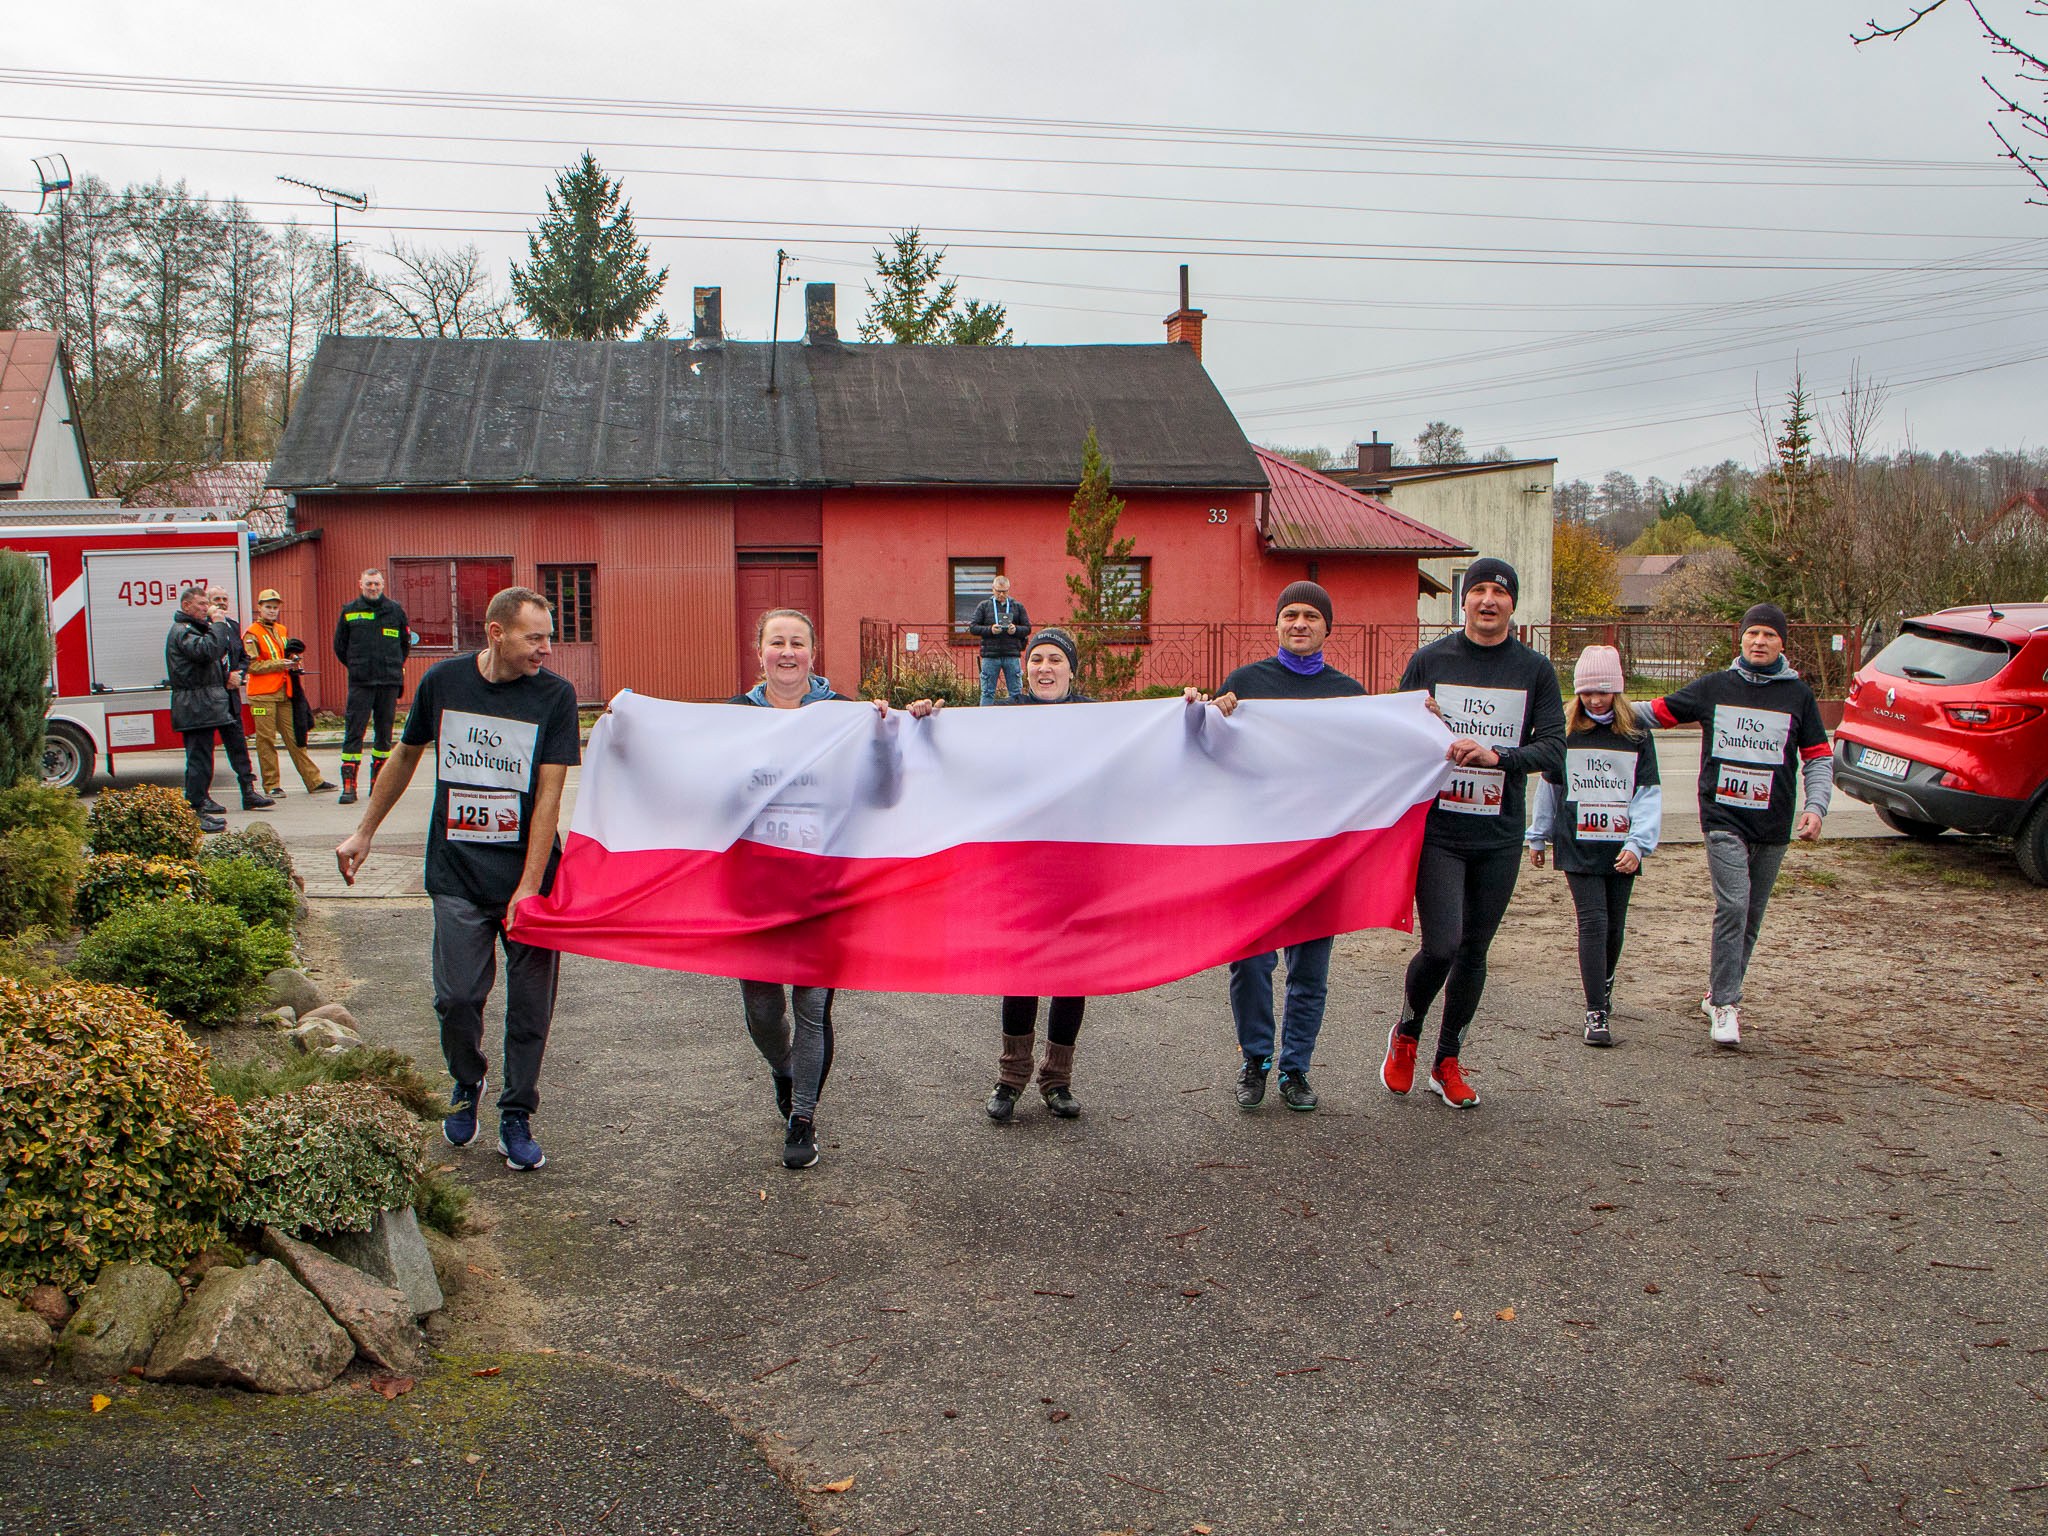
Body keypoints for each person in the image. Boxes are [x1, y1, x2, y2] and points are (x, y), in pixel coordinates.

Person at [334, 587, 581, 1173]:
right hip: (457, 872)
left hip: (530, 877)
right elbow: (405, 755)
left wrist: (528, 887)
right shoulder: (443, 684)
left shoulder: (555, 696)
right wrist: (364, 831)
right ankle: (466, 1082)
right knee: (457, 998)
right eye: (534, 637)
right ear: (496, 633)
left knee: (528, 1009)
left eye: (548, 637)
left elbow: (548, 799)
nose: (545, 649)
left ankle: (516, 1113)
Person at [729, 608, 939, 1169]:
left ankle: (802, 1116)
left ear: (813, 652)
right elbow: (705, 786)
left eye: (798, 642)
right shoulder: (734, 717)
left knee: (813, 1004)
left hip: (824, 888)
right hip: (756, 889)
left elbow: (887, 793)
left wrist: (899, 734)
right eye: (778, 642)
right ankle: (785, 1069)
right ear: (760, 652)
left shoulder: (845, 714)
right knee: (762, 1009)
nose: (788, 652)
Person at [1382, 557, 1566, 1109]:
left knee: (1475, 950)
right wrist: (1423, 719)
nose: (1488, 601)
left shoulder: (1534, 670)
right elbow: (1394, 733)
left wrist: (1498, 756)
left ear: (1513, 603)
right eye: (1478, 591)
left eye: (1499, 592)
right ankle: (1408, 1030)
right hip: (1439, 828)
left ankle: (1447, 1058)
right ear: (1462, 602)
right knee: (1442, 945)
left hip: (1499, 833)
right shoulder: (1431, 659)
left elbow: (1554, 748)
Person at [1632, 603, 1831, 1047]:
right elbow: (1655, 712)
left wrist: (1816, 807)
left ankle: (1718, 992)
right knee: (1734, 906)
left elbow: (1817, 757)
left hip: (1774, 824)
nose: (1759, 642)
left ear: (1783, 643)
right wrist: (1597, 705)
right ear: (1740, 639)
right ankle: (1725, 1003)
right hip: (1722, 818)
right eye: (1752, 633)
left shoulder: (1798, 696)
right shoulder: (1715, 687)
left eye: (1768, 635)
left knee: (1751, 917)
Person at [1205, 581, 1366, 1113]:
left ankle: (1296, 1068)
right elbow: (1209, 750)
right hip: (1257, 850)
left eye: (1311, 617)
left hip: (1321, 852)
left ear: (1327, 629)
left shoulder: (1349, 694)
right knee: (1250, 963)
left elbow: (1381, 754)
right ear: (1276, 625)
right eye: (1290, 615)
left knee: (1310, 970)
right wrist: (1213, 712)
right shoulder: (1245, 683)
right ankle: (1256, 1060)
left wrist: (1422, 723)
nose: (1300, 623)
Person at [1524, 645, 1662, 1047]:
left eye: (1603, 692)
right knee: (1594, 922)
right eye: (1587, 693)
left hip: (1620, 846)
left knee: (1614, 928)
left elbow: (1648, 791)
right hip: (1577, 843)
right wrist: (1538, 835)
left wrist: (1638, 845)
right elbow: (1549, 787)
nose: (1595, 700)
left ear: (1617, 691)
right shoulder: (1565, 733)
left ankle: (1604, 984)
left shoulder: (1636, 734)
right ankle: (1595, 1010)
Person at [987, 627, 1091, 1123]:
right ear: (1024, 669)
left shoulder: (1100, 718)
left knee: (1071, 974)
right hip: (1022, 867)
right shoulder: (1003, 717)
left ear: (1073, 669)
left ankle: (1057, 1080)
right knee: (1022, 970)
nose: (1045, 667)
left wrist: (1190, 708)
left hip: (1080, 866)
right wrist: (926, 716)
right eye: (1036, 660)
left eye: (1055, 659)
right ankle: (1011, 1078)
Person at [166, 584, 270, 833]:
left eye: (207, 604)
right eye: (202, 604)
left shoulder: (197, 629)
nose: (208, 608)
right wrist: (219, 623)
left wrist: (232, 674)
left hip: (206, 703)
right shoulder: (183, 631)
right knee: (199, 760)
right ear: (186, 606)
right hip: (195, 705)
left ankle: (203, 805)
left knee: (207, 758)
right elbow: (208, 651)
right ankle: (194, 811)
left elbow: (218, 659)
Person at [244, 587, 335, 798]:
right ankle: (272, 785)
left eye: (275, 608)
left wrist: (293, 662)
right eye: (268, 607)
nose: (272, 611)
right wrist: (279, 664)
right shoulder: (252, 634)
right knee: (266, 740)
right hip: (261, 696)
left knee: (295, 737)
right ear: (259, 608)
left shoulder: (281, 630)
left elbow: (281, 657)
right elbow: (251, 666)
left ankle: (313, 780)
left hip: (284, 692)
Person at [333, 568, 412, 806]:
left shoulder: (395, 611)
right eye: (369, 584)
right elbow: (340, 646)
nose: (373, 588)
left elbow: (404, 644)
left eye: (377, 584)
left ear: (383, 584)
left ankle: (379, 782)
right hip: (361, 682)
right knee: (354, 732)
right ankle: (349, 784)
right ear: (361, 584)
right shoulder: (350, 612)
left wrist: (393, 666)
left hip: (388, 681)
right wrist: (358, 667)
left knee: (384, 734)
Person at [968, 574, 1030, 706]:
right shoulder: (984, 606)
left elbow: (1027, 628)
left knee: (1016, 693)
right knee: (987, 692)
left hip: (1012, 654)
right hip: (990, 655)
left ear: (1009, 589)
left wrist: (1016, 630)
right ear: (992, 589)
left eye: (1005, 591)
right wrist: (990, 630)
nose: (1001, 595)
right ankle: (985, 721)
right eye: (998, 591)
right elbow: (973, 627)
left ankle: (1016, 721)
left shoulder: (1017, 606)